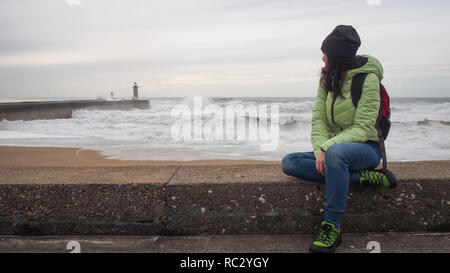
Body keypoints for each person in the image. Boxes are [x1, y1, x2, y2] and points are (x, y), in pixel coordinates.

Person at [281, 25, 396, 253]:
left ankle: (331, 227)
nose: (322, 57)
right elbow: (319, 120)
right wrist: (320, 151)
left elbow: (363, 128)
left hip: (366, 149)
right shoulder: (327, 79)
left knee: (336, 154)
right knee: (289, 162)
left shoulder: (368, 79)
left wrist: (328, 147)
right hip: (333, 151)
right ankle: (360, 177)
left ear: (336, 56)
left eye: (325, 53)